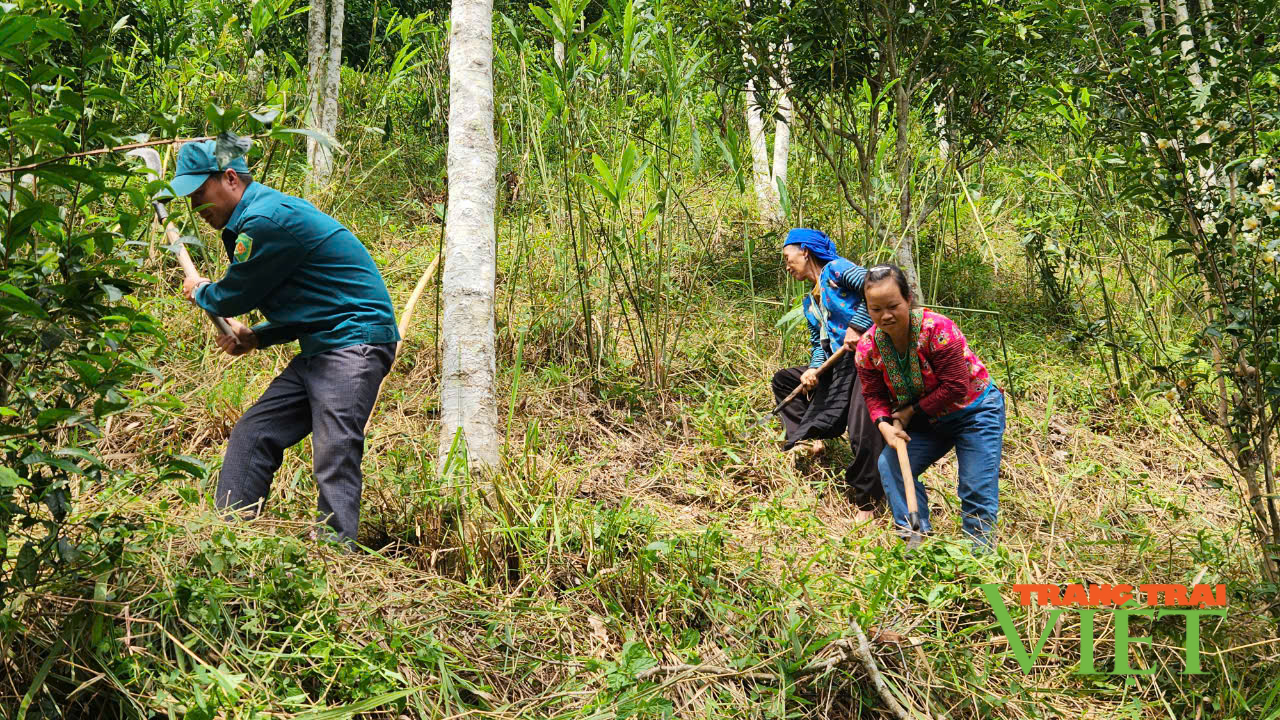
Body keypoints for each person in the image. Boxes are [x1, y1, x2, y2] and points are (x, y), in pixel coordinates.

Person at [166, 139, 399, 545]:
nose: (197, 209)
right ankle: (229, 539)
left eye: (200, 194)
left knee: (335, 449)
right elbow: (310, 298)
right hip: (322, 342)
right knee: (254, 432)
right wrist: (258, 336)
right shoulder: (253, 220)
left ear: (231, 179)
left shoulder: (266, 221)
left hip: (351, 342)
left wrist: (201, 289)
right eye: (189, 200)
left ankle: (335, 554)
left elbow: (234, 294)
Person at [854, 264, 1006, 549]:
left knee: (975, 487)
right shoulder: (867, 349)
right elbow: (873, 395)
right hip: (930, 422)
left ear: (908, 298)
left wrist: (910, 412)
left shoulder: (936, 328)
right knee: (891, 464)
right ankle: (916, 543)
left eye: (893, 306)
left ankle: (980, 559)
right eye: (876, 310)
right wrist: (883, 424)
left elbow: (956, 386)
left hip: (975, 412)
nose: (886, 315)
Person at [771, 228, 885, 521]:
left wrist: (858, 326)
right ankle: (813, 435)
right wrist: (813, 367)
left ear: (805, 251)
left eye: (788, 257)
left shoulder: (837, 270)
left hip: (868, 358)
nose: (786, 265)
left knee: (863, 427)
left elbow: (876, 287)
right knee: (785, 380)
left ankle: (868, 502)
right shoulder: (810, 303)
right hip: (840, 364)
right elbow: (819, 345)